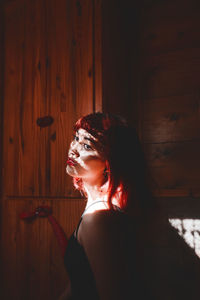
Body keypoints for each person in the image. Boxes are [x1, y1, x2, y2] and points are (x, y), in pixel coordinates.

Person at [59, 112, 157, 300]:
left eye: (87, 145)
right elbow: (79, 282)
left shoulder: (98, 218)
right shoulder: (99, 207)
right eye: (76, 138)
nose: (74, 149)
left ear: (109, 162)